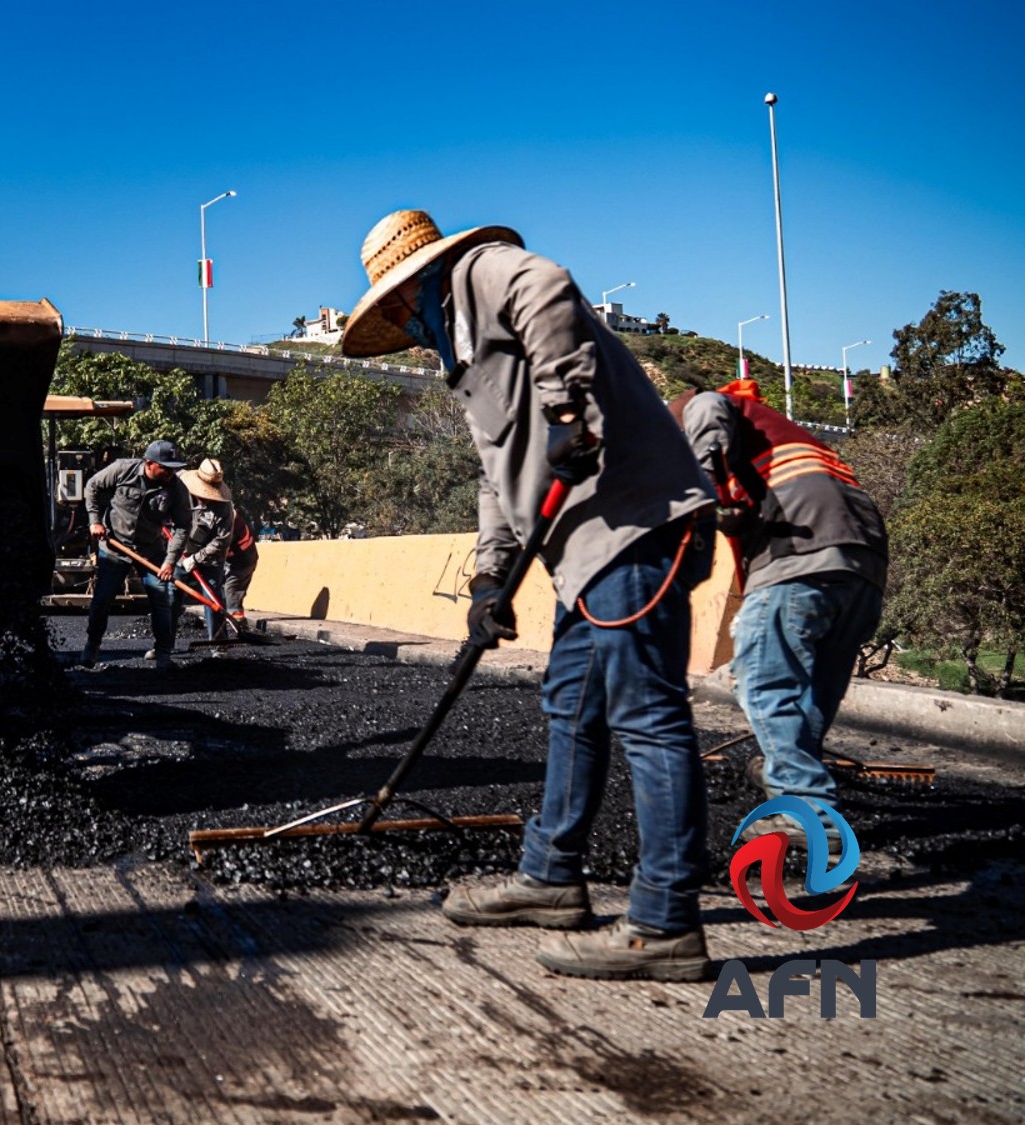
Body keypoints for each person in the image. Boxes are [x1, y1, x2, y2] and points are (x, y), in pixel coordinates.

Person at [338, 210, 717, 982]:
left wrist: (569, 410)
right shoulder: (466, 360)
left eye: (399, 309)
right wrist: (487, 578)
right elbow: (498, 476)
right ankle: (551, 879)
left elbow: (550, 288)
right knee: (569, 706)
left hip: (633, 523)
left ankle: (666, 918)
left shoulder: (482, 273)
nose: (404, 327)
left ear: (413, 288)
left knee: (647, 715)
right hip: (580, 555)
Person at [672, 378, 887, 848]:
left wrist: (699, 496)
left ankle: (810, 814)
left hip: (802, 545)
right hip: (863, 557)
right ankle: (785, 773)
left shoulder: (706, 406)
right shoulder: (775, 433)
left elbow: (707, 411)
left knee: (763, 676)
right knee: (811, 690)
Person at [82, 439, 193, 670]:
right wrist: (94, 521)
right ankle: (92, 646)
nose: (171, 472)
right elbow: (92, 486)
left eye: (174, 468)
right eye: (166, 467)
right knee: (102, 599)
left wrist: (170, 562)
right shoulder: (123, 469)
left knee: (162, 600)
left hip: (150, 550)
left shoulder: (176, 489)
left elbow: (183, 526)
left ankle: (163, 654)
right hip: (114, 547)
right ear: (150, 463)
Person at [177, 458, 235, 641]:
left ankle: (219, 644)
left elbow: (222, 540)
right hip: (178, 554)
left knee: (213, 598)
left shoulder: (224, 507)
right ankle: (163, 645)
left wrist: (196, 558)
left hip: (210, 558)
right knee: (170, 598)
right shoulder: (179, 491)